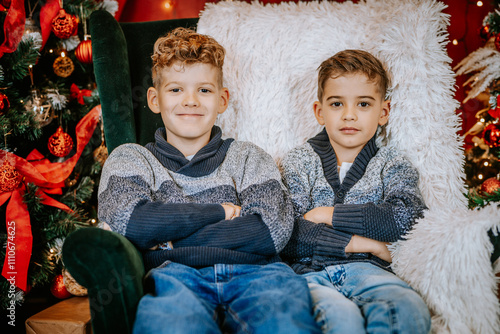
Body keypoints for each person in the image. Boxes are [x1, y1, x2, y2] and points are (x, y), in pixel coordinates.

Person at [97, 28, 320, 334]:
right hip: (174, 278)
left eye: (204, 90)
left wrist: (167, 241)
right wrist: (221, 212)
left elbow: (271, 231)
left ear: (222, 100)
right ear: (154, 99)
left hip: (259, 276)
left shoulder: (249, 158)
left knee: (284, 324)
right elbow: (130, 223)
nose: (190, 101)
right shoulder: (131, 159)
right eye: (176, 90)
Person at [280, 49, 431, 334]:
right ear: (320, 112)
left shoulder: (392, 164)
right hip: (307, 275)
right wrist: (370, 245)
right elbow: (288, 234)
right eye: (337, 104)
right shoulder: (298, 162)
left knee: (406, 307)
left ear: (383, 112)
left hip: (370, 273)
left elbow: (405, 217)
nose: (349, 115)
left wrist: (327, 214)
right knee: (341, 319)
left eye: (363, 104)